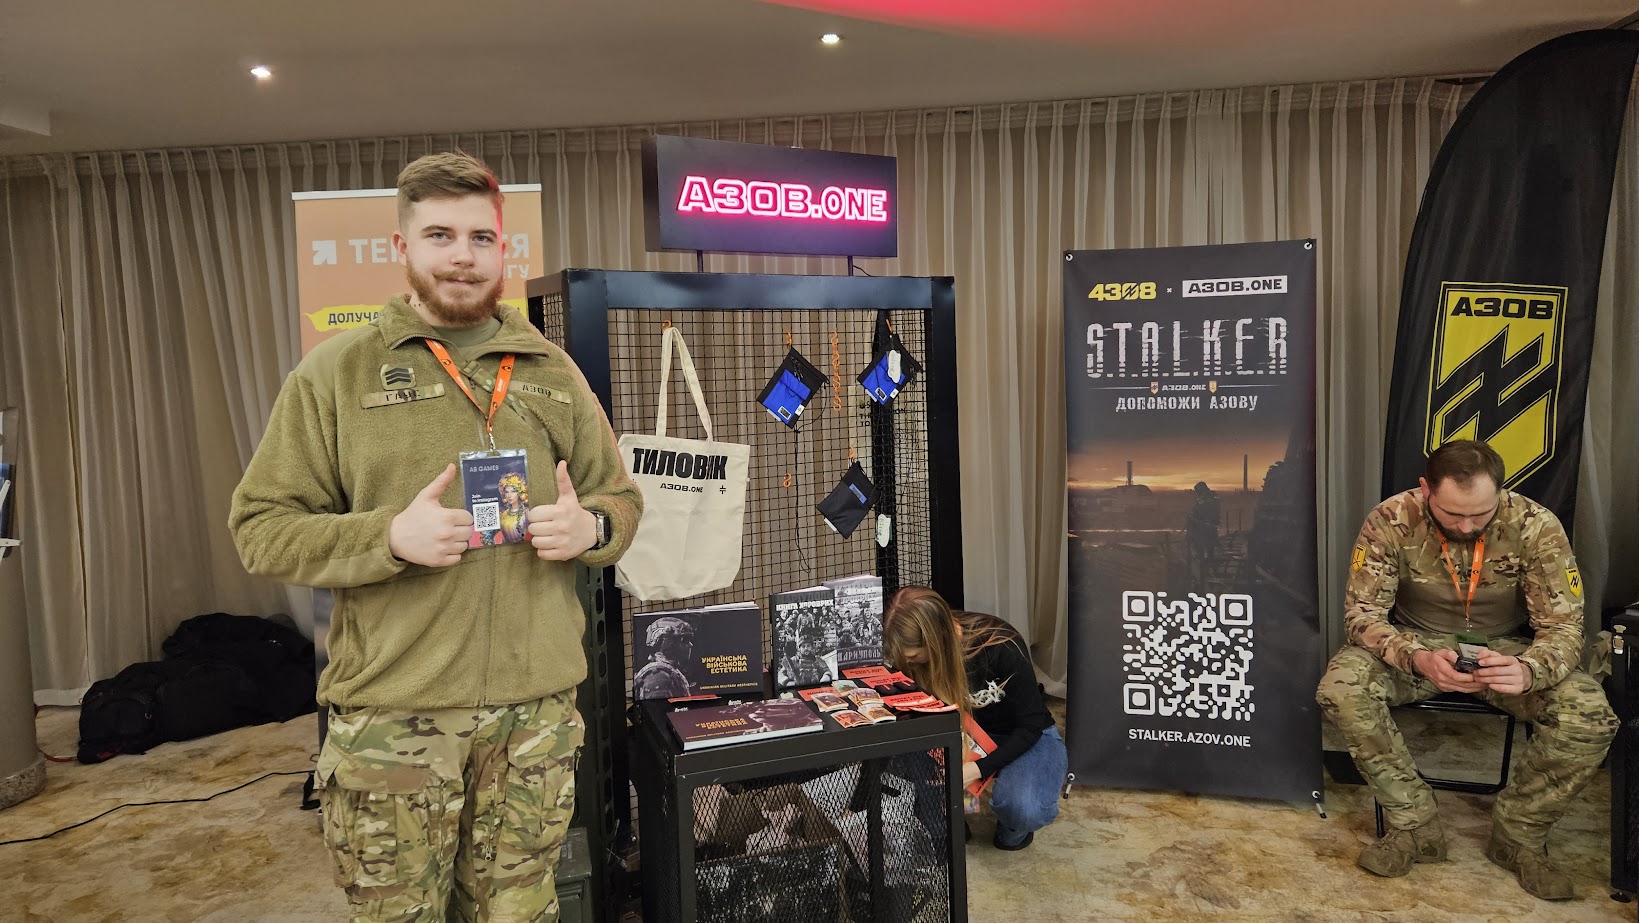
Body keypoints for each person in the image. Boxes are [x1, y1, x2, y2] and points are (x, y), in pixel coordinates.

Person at [229, 152, 642, 922]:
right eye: (440, 235)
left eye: (481, 238)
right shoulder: (336, 374)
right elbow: (261, 529)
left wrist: (589, 525)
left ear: (503, 247)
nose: (462, 256)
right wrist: (388, 536)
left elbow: (618, 498)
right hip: (394, 722)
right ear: (402, 247)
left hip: (533, 718)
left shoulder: (552, 371)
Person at [1314, 439, 1616, 901]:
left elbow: (1563, 626)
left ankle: (1519, 836)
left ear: (1501, 492)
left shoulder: (1536, 525)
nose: (1468, 526)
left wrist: (1529, 670)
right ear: (1426, 489)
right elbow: (1362, 616)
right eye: (1453, 514)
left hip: (1505, 650)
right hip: (1417, 644)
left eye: (1482, 513)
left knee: (1590, 716)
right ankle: (1414, 824)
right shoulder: (1391, 518)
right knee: (1341, 687)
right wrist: (1414, 657)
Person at [883, 586, 1065, 851]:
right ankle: (955, 818)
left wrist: (977, 769)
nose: (909, 664)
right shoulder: (914, 657)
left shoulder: (1000, 644)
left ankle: (1012, 829)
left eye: (913, 657)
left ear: (935, 641)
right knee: (940, 818)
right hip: (963, 735)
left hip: (1024, 734)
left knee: (1023, 810)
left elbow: (1031, 725)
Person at [634, 616, 695, 699]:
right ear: (668, 643)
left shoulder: (669, 672)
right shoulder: (658, 677)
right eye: (685, 640)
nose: (691, 645)